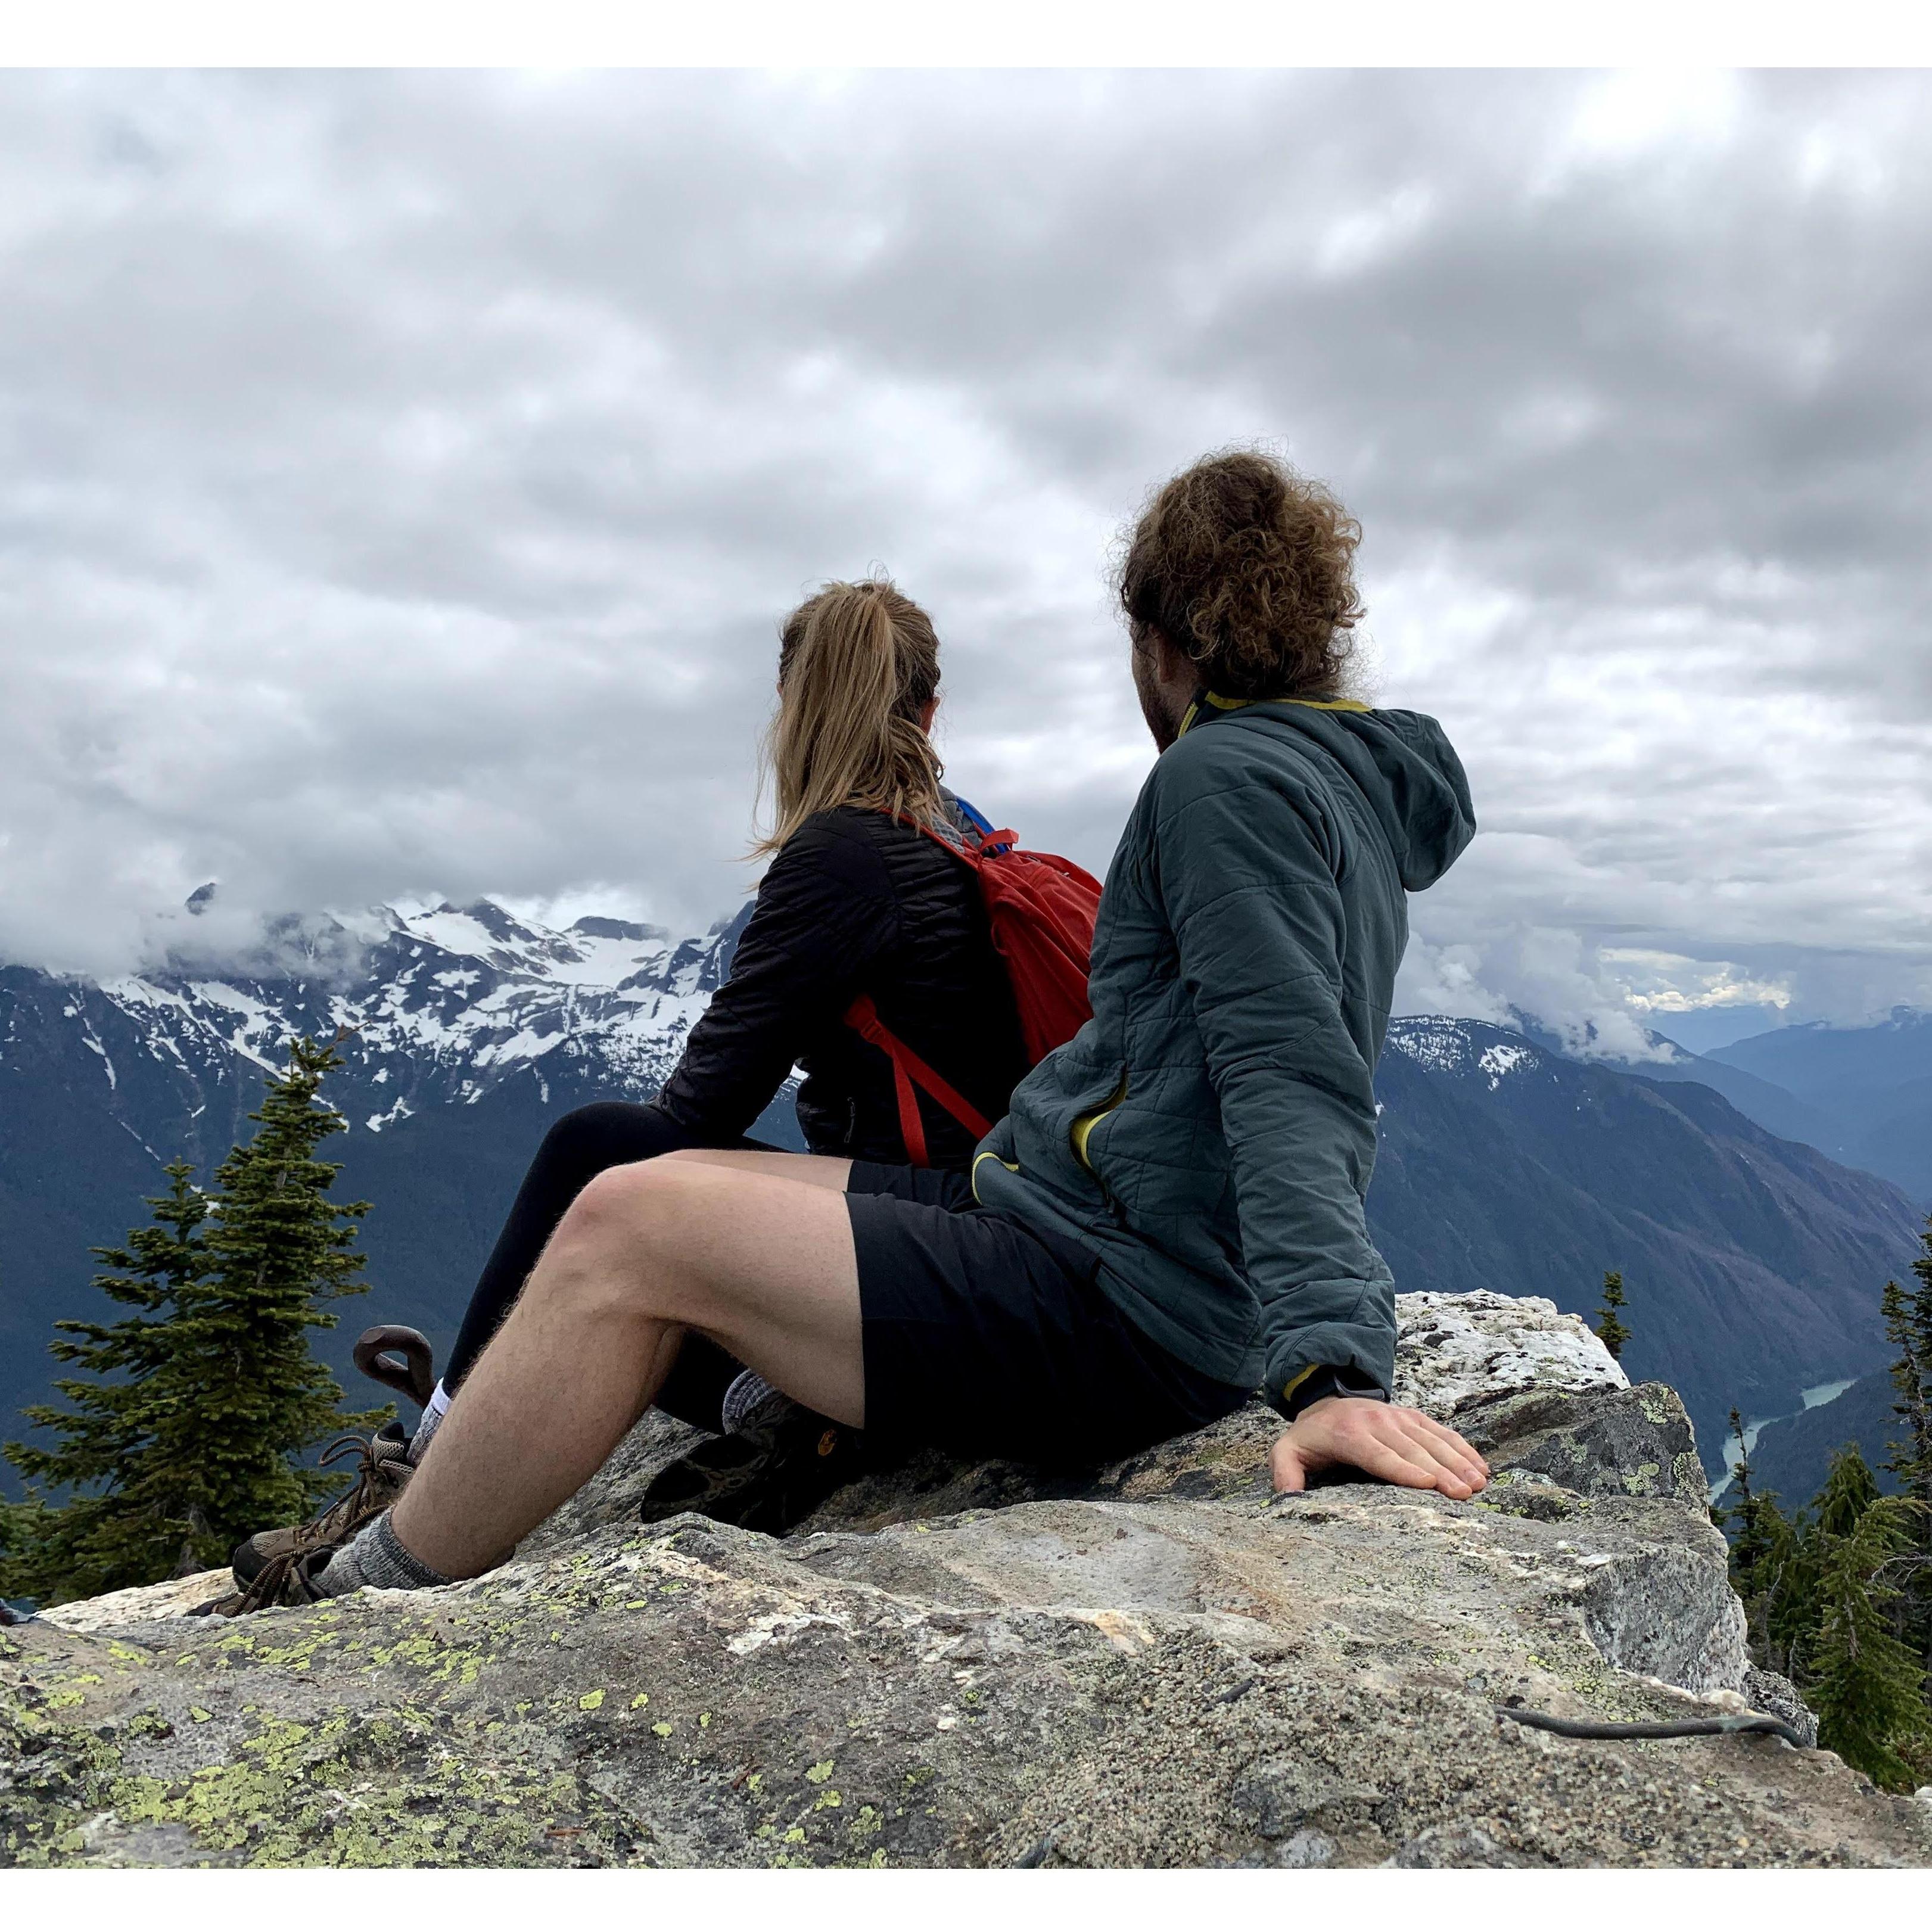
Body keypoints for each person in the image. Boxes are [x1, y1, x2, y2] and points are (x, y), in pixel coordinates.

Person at [243, 447, 1489, 1610]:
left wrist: (1330, 1372)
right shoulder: (1335, 774)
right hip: (1052, 1218)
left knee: (628, 1219)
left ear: (1157, 638)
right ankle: (754, 1422)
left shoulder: (1220, 778)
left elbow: (1286, 1066)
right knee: (629, 1170)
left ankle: (364, 1597)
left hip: (1124, 1299)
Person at [220, 577, 1030, 1604]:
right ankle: (787, 1414)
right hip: (983, 1241)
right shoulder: (962, 839)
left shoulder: (843, 860)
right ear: (930, 709)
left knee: (596, 1151)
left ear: (794, 711)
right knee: (640, 1209)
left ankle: (422, 1477)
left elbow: (695, 1119)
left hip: (928, 1260)